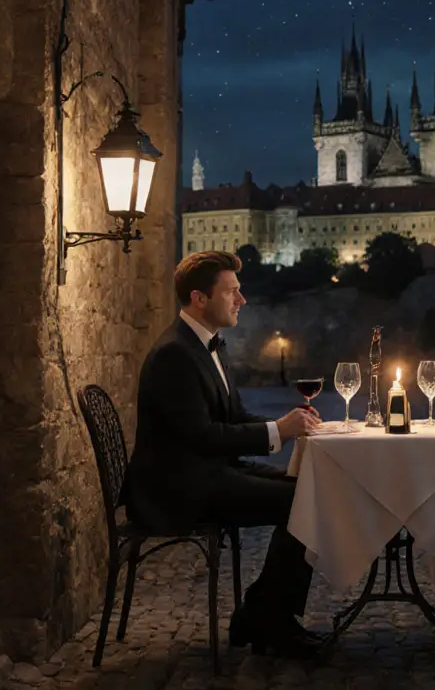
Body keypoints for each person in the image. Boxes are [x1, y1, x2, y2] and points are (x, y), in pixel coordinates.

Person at [122, 250, 325, 658]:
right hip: (178, 489)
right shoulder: (174, 355)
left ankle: (261, 613)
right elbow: (202, 436)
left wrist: (285, 425)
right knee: (306, 500)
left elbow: (231, 417)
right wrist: (277, 433)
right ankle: (269, 618)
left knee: (309, 489)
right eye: (232, 291)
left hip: (205, 472)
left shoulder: (206, 345)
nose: (242, 299)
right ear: (200, 298)